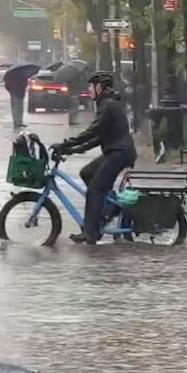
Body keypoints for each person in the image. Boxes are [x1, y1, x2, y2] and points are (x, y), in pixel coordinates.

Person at [52, 70, 137, 245]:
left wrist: (67, 144)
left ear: (100, 87)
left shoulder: (108, 105)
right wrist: (73, 149)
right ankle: (110, 206)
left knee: (95, 191)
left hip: (119, 153)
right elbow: (98, 137)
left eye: (91, 86)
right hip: (115, 151)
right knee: (87, 173)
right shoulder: (107, 103)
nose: (89, 90)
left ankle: (91, 233)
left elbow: (93, 131)